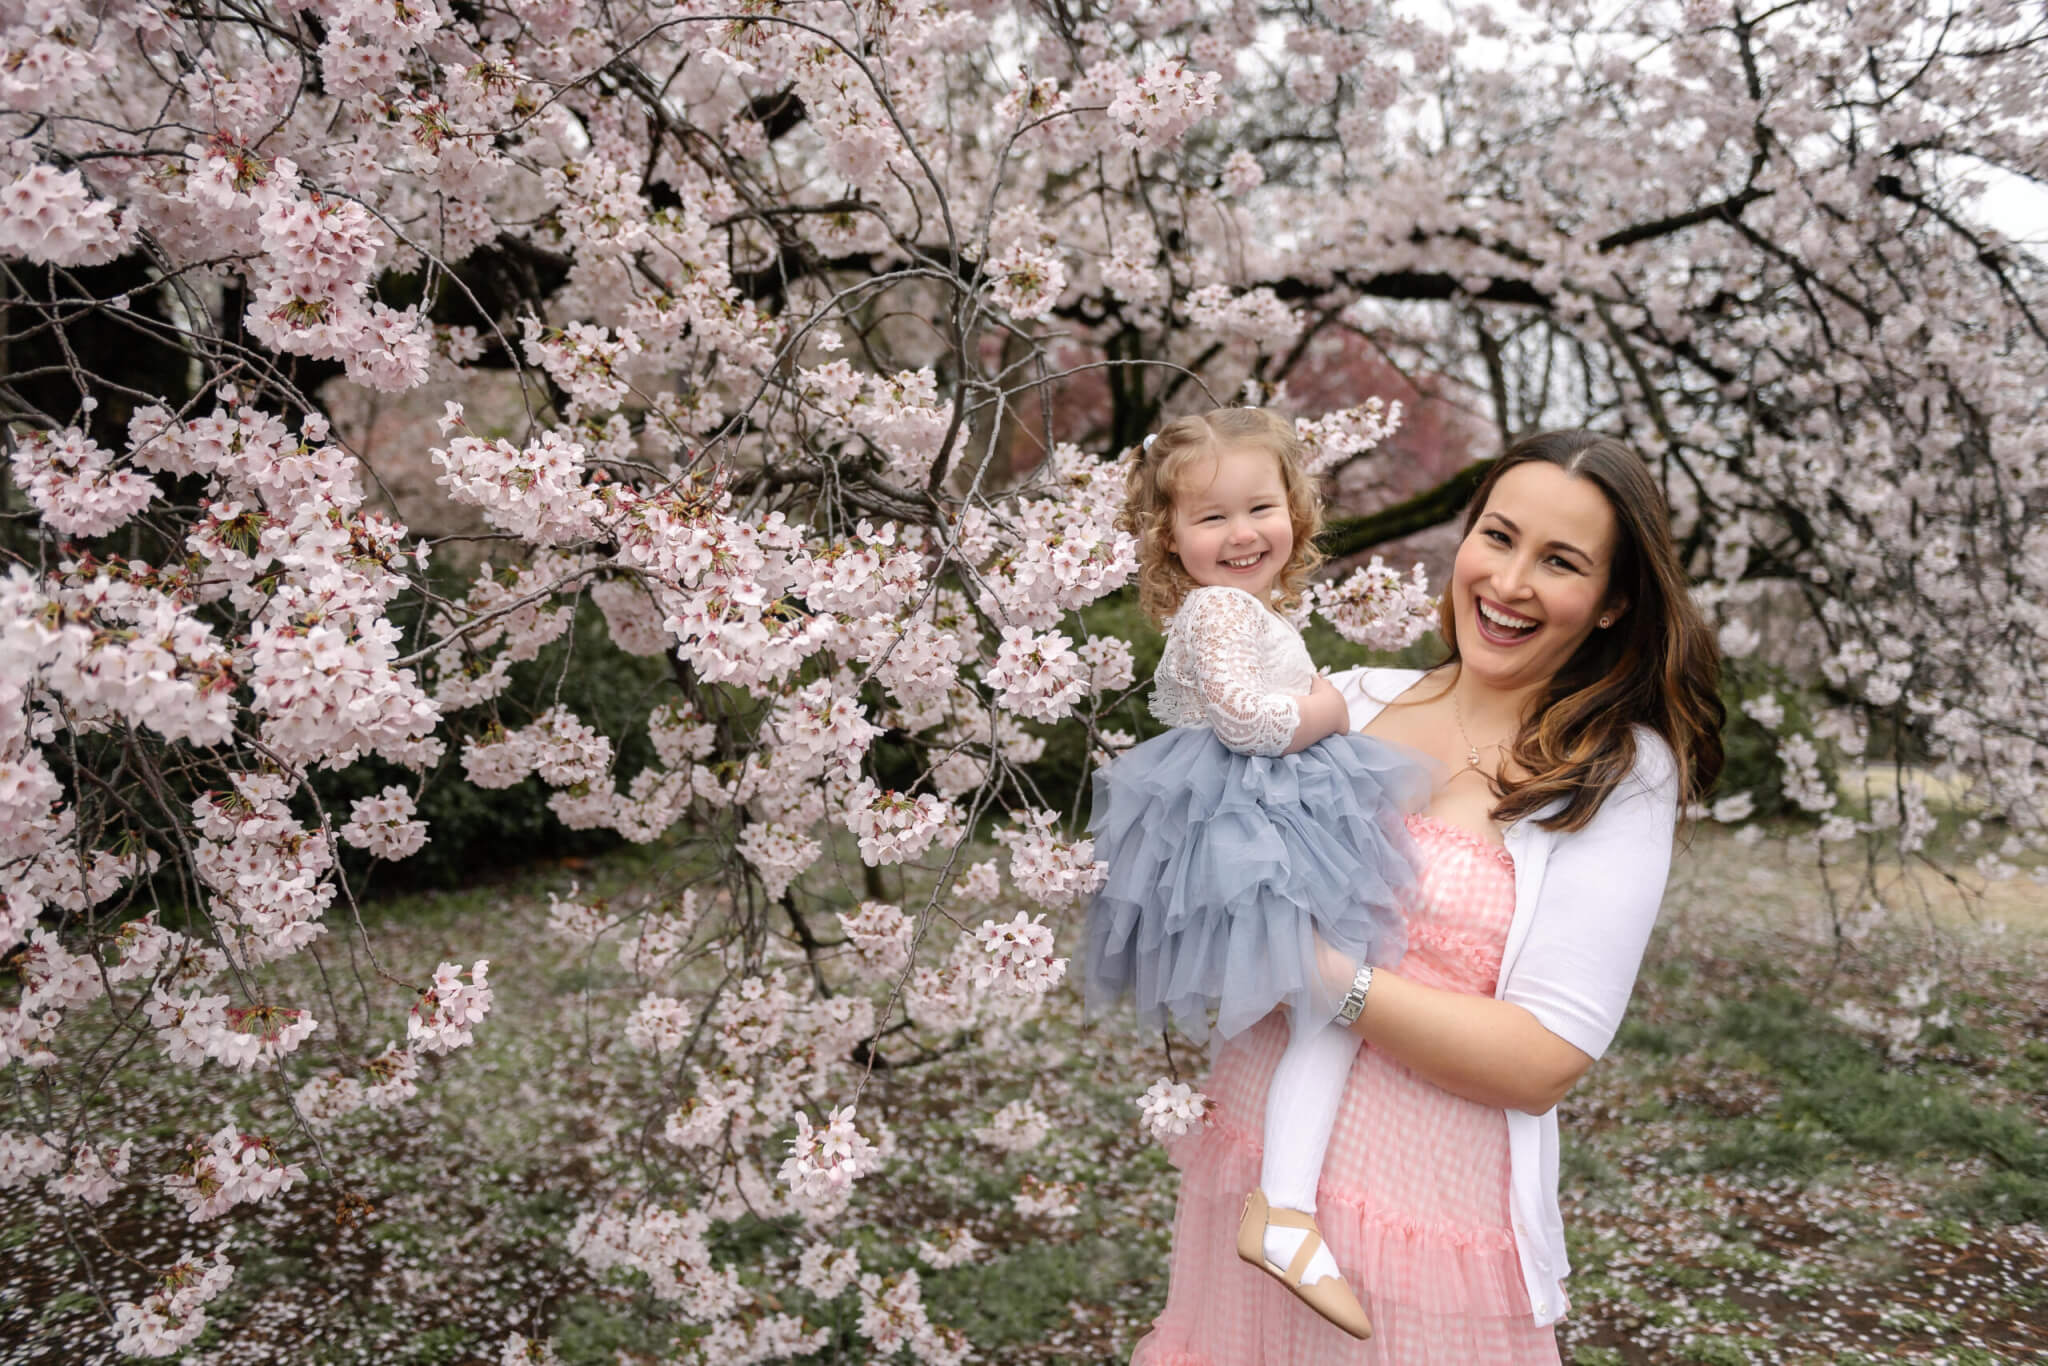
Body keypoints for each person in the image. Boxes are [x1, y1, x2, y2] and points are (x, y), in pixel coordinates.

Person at [1130, 429, 1725, 1364]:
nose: (1510, 582)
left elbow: (1543, 1060)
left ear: (1614, 601)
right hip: (1249, 1165)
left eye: (1561, 562)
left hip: (1428, 1231)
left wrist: (1329, 977)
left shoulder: (1616, 772)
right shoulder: (1348, 702)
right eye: (1499, 536)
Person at [1083, 407, 1435, 1340]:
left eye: (1259, 509)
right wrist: (1327, 709)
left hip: (1269, 816)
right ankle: (1284, 1209)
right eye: (1211, 518)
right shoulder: (1216, 610)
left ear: (1295, 510)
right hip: (1254, 824)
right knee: (1337, 1000)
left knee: (1334, 1002)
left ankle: (1287, 1206)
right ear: (1170, 536)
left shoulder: (1243, 609)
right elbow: (1249, 723)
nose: (1241, 534)